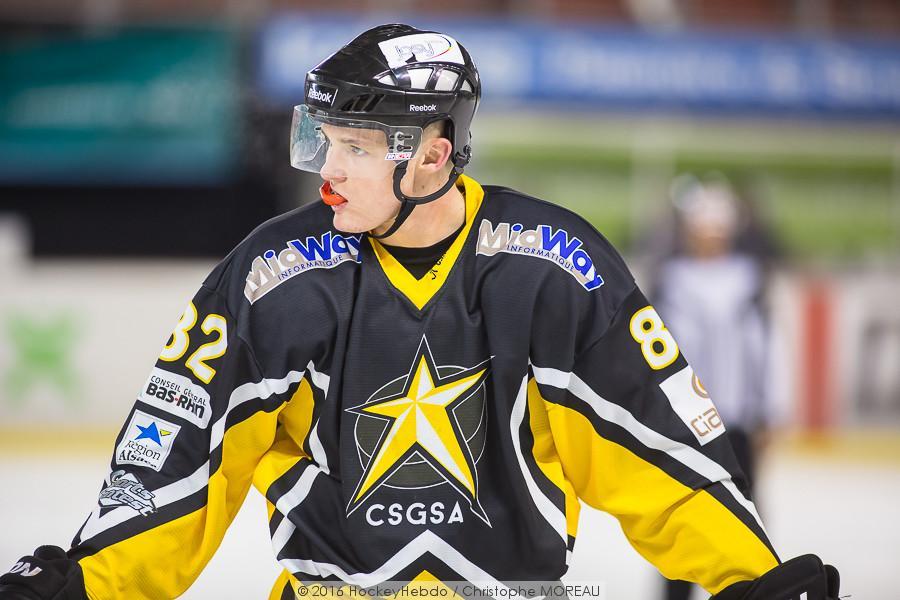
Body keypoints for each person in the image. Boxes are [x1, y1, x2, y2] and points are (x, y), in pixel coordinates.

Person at [0, 24, 839, 600]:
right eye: (324, 141)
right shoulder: (272, 275)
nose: (328, 171)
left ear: (433, 157)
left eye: (355, 148)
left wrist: (753, 578)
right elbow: (180, 457)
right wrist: (86, 582)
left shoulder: (555, 268)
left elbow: (661, 452)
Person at [650, 177, 776, 600]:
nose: (709, 235)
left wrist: (768, 411)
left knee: (743, 519)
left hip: (736, 419)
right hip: (684, 422)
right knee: (684, 518)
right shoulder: (670, 280)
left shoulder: (749, 280)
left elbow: (765, 349)